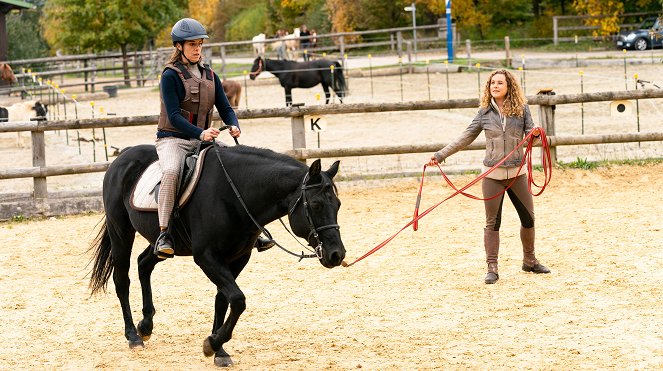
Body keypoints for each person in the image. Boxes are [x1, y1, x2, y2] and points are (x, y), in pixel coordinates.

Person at [155, 18, 273, 258]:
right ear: (179, 46)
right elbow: (175, 116)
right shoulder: (170, 76)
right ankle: (164, 233)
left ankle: (252, 228)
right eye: (192, 45)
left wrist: (234, 124)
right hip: (173, 140)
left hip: (203, 139)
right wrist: (200, 132)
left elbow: (226, 108)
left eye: (200, 44)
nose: (197, 49)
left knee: (234, 166)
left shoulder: (210, 75)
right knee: (170, 173)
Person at [428, 69, 550, 284]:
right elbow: (465, 137)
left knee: (528, 219)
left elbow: (533, 137)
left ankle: (529, 261)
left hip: (517, 174)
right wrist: (440, 155)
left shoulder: (522, 110)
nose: (495, 86)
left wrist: (537, 134)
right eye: (492, 83)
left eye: (500, 83)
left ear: (508, 86)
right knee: (492, 222)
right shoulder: (484, 112)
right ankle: (492, 268)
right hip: (492, 175)